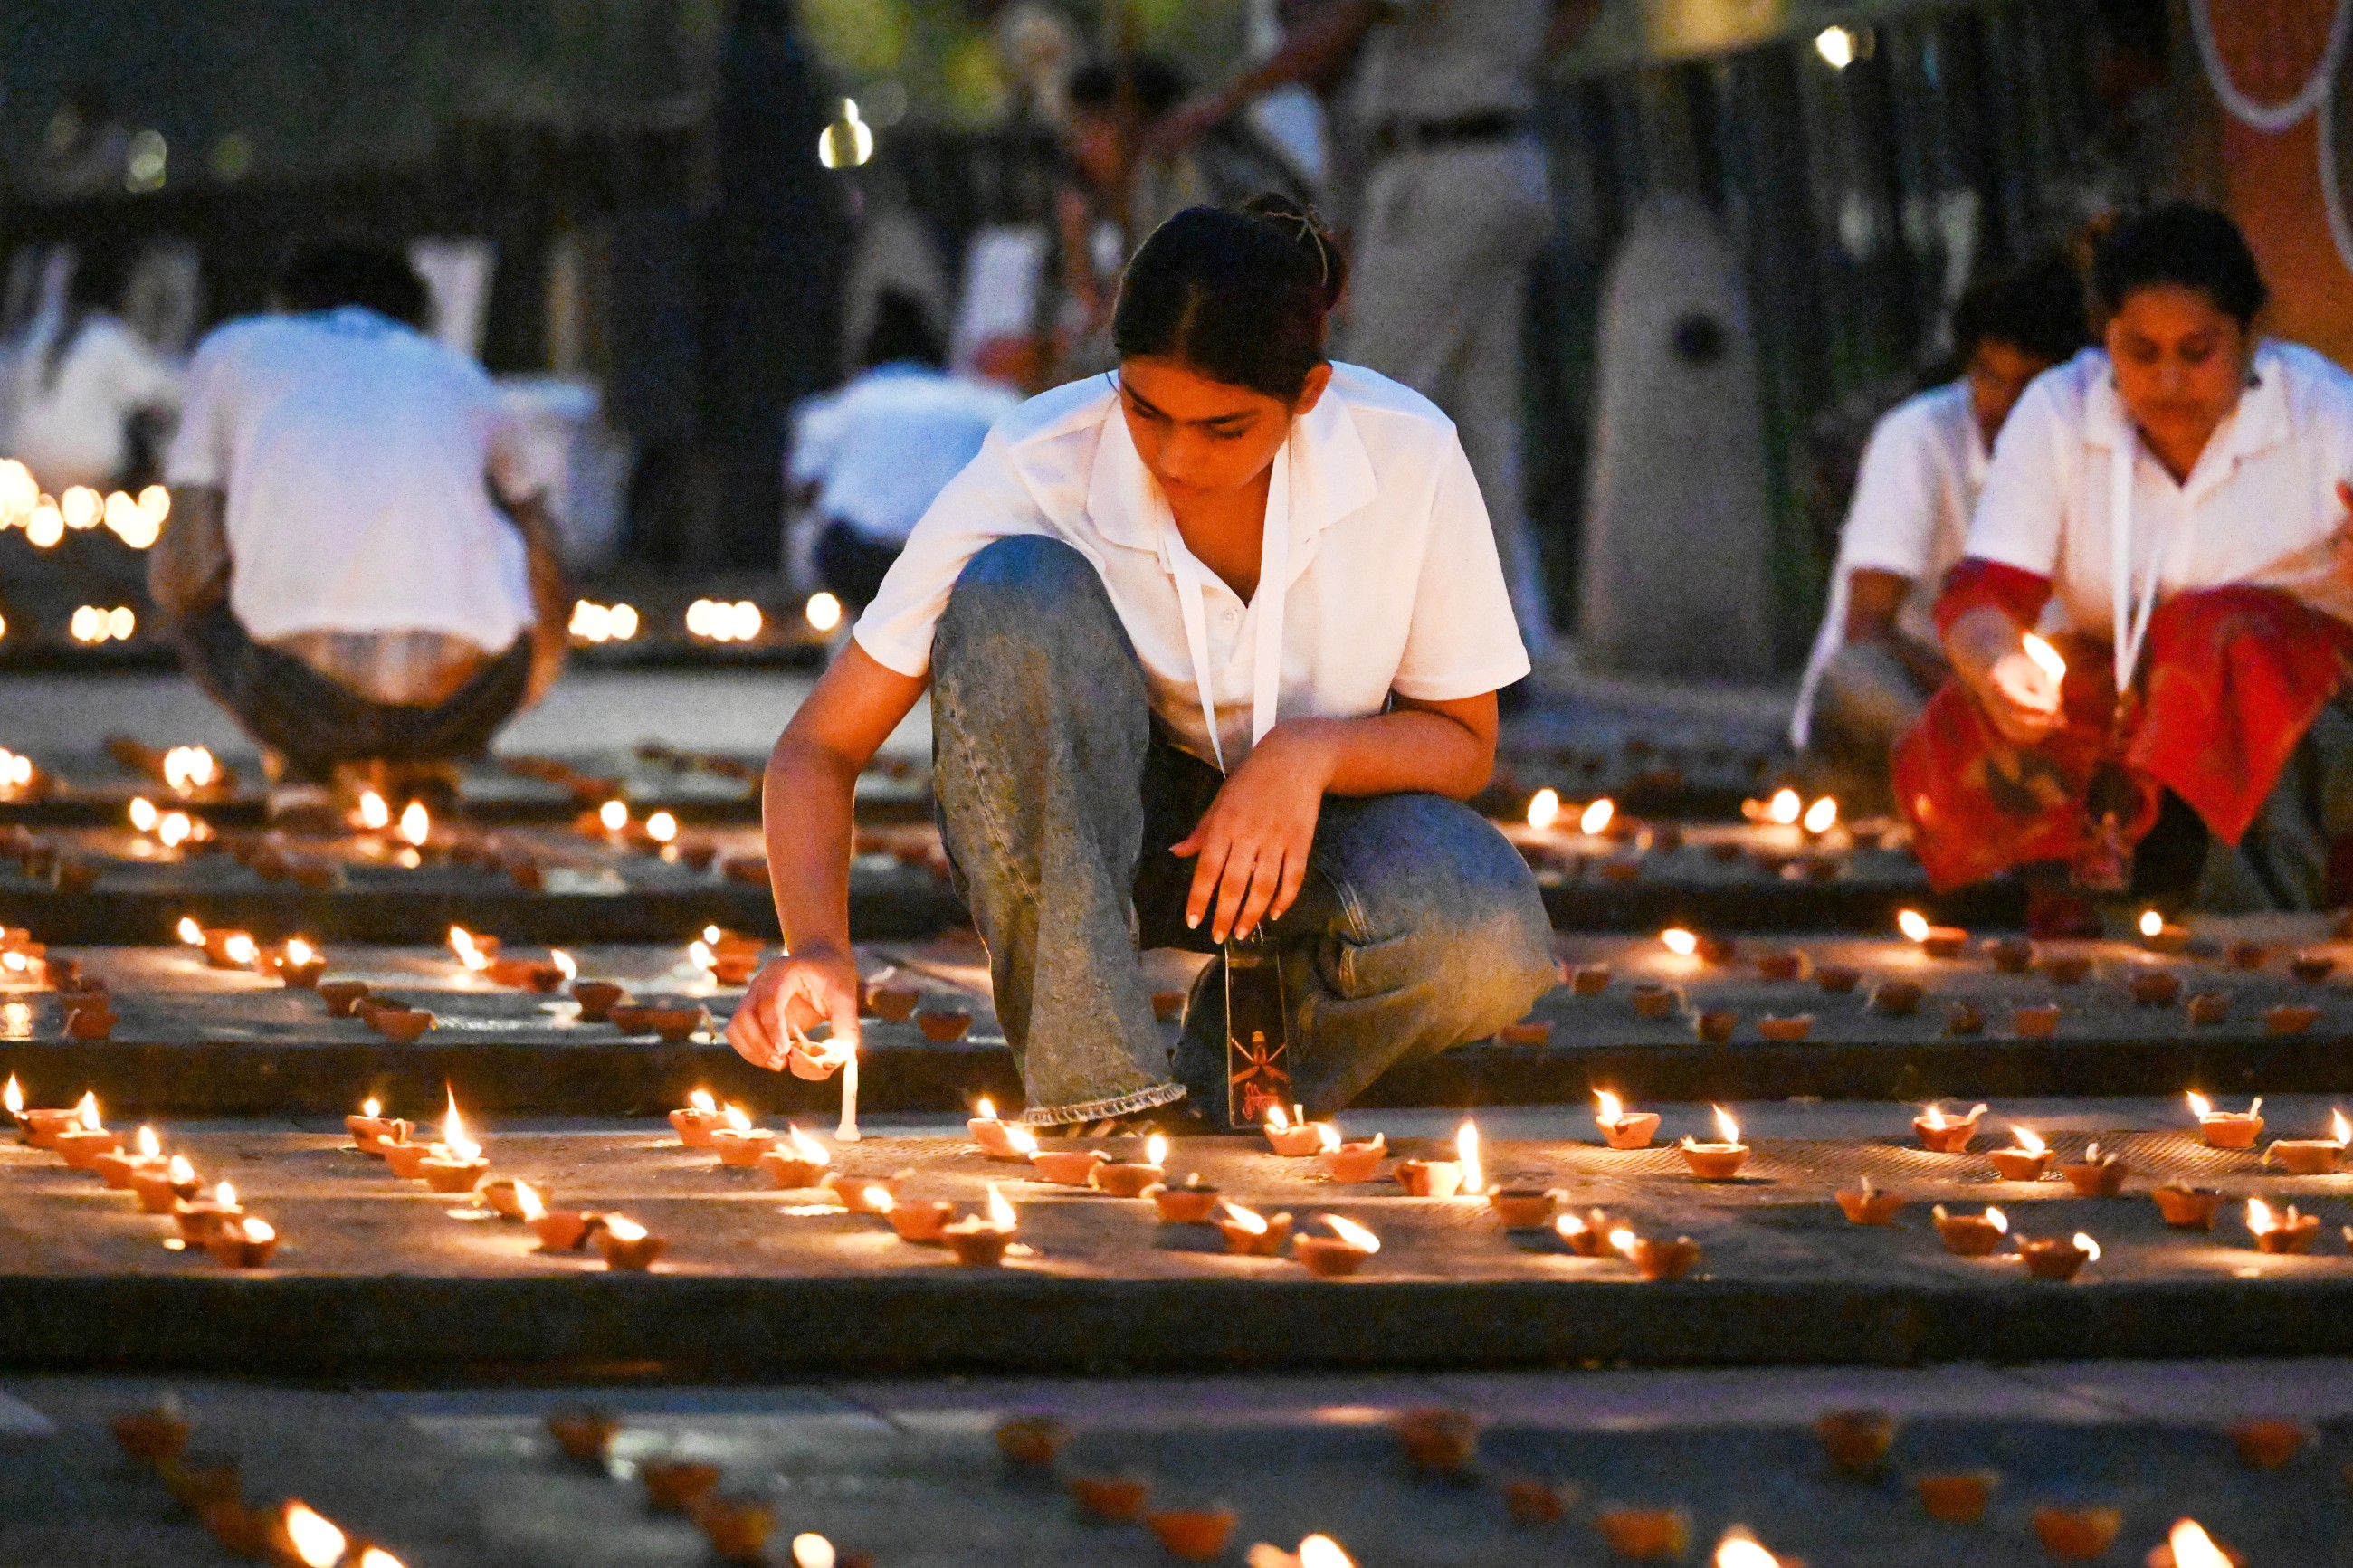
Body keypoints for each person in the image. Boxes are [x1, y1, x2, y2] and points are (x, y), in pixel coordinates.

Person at [729, 196, 1556, 1130]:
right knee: (1015, 589)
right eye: (1146, 410)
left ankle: (1233, 1079)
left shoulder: (1407, 454)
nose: (1175, 456)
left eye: (1224, 429)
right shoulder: (1041, 462)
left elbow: (1463, 742)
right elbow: (819, 747)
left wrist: (1306, 755)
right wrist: (816, 945)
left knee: (1488, 933)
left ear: (1308, 395)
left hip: (1312, 836)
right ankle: (1096, 1099)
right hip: (1098, 838)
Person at [1897, 204, 2353, 914]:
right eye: (2141, 353)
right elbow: (1985, 594)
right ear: (2105, 338)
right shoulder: (2059, 412)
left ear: (2250, 334)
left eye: (2197, 353)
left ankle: (2258, 926)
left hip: (2306, 718)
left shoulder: (2326, 414)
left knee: (2217, 635)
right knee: (1968, 719)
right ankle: (2084, 918)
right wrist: (1998, 666)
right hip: (2125, 700)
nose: (2168, 382)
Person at [1157, 0, 1605, 658]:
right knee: (1478, 420)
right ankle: (1496, 642)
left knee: (1364, 410)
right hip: (1500, 150)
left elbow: (1346, 20)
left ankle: (1344, 642)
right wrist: (1509, 57)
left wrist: (1220, 103)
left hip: (1439, 166)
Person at [150, 241, 571, 826]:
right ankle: (425, 759)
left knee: (185, 588)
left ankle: (303, 765)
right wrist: (534, 663)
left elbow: (185, 560)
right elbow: (543, 538)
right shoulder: (460, 373)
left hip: (295, 698)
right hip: (469, 701)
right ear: (417, 317)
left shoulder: (234, 350)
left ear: (286, 306)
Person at [1791, 251, 2089, 805]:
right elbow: (1866, 629)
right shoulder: (1918, 437)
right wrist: (1986, 691)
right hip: (1921, 697)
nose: (2003, 404)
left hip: (2046, 706)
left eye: (2027, 385)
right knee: (1858, 674)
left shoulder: (2097, 443)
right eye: (1987, 376)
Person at [790, 291, 1019, 608]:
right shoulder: (985, 404)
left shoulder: (839, 408)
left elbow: (805, 486)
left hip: (861, 560)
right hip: (951, 562)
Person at [5, 249, 181, 493]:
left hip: (26, 468)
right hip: (86, 476)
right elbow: (163, 394)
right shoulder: (107, 337)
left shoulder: (38, 332)